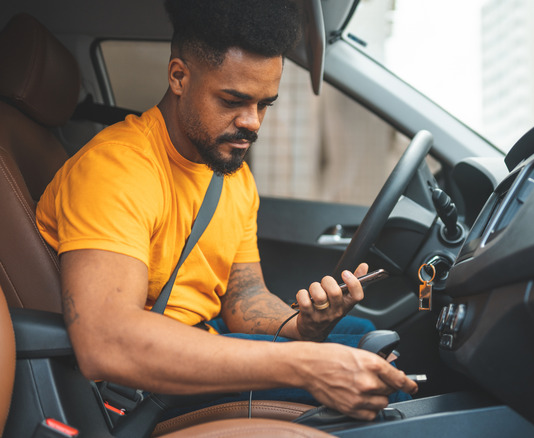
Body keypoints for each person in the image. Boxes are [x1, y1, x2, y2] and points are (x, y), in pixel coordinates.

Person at [35, 0, 417, 421]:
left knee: (365, 338)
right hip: (139, 387)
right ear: (179, 76)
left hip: (205, 335)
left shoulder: (231, 173)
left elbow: (243, 296)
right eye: (233, 99)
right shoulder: (114, 169)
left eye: (264, 104)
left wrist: (304, 326)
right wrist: (307, 365)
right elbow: (107, 342)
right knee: (381, 391)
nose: (253, 122)